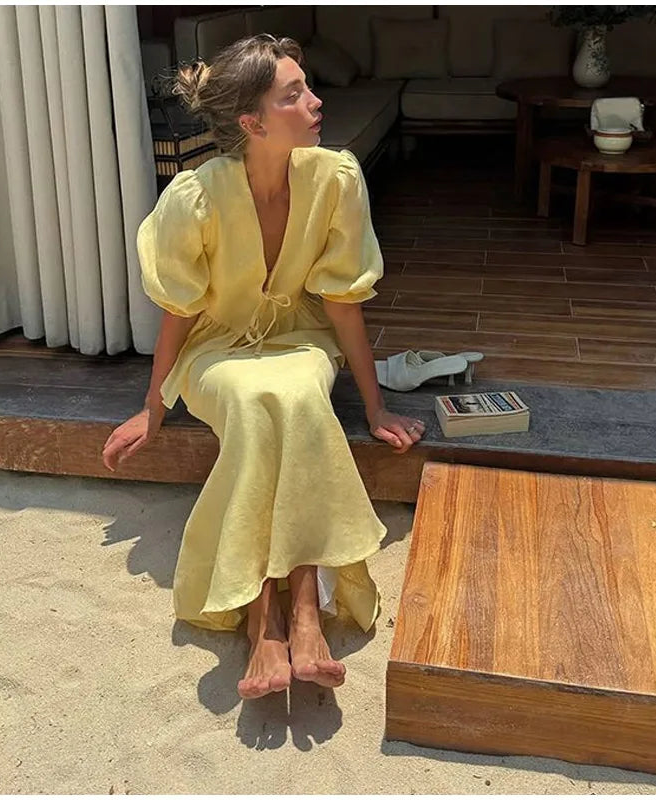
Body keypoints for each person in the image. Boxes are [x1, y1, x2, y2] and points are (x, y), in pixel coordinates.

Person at [101, 34, 425, 700]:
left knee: (300, 395)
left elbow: (340, 305)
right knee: (253, 404)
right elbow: (180, 315)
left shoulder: (335, 179)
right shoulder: (194, 197)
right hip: (216, 349)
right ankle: (264, 620)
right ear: (253, 123)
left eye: (307, 87)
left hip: (300, 339)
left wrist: (376, 406)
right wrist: (154, 406)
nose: (314, 101)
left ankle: (298, 614)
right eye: (293, 95)